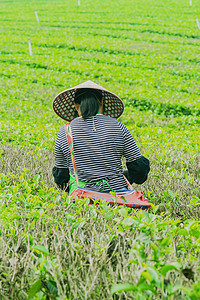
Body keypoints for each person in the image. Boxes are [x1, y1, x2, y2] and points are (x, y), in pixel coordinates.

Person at [52, 80, 150, 194]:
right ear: (102, 102)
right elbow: (139, 170)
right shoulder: (119, 127)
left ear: (75, 105)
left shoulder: (65, 131)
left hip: (82, 198)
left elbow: (61, 177)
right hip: (118, 196)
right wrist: (124, 176)